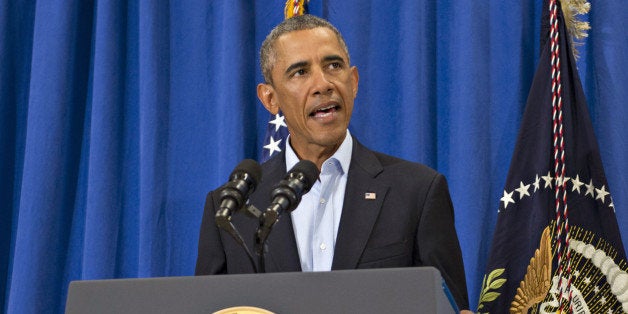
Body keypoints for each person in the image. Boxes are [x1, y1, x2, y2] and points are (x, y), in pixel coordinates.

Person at [196, 14, 471, 312]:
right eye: (300, 72)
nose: (323, 84)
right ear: (270, 99)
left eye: (333, 66)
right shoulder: (230, 209)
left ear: (353, 81)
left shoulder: (418, 192)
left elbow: (448, 306)